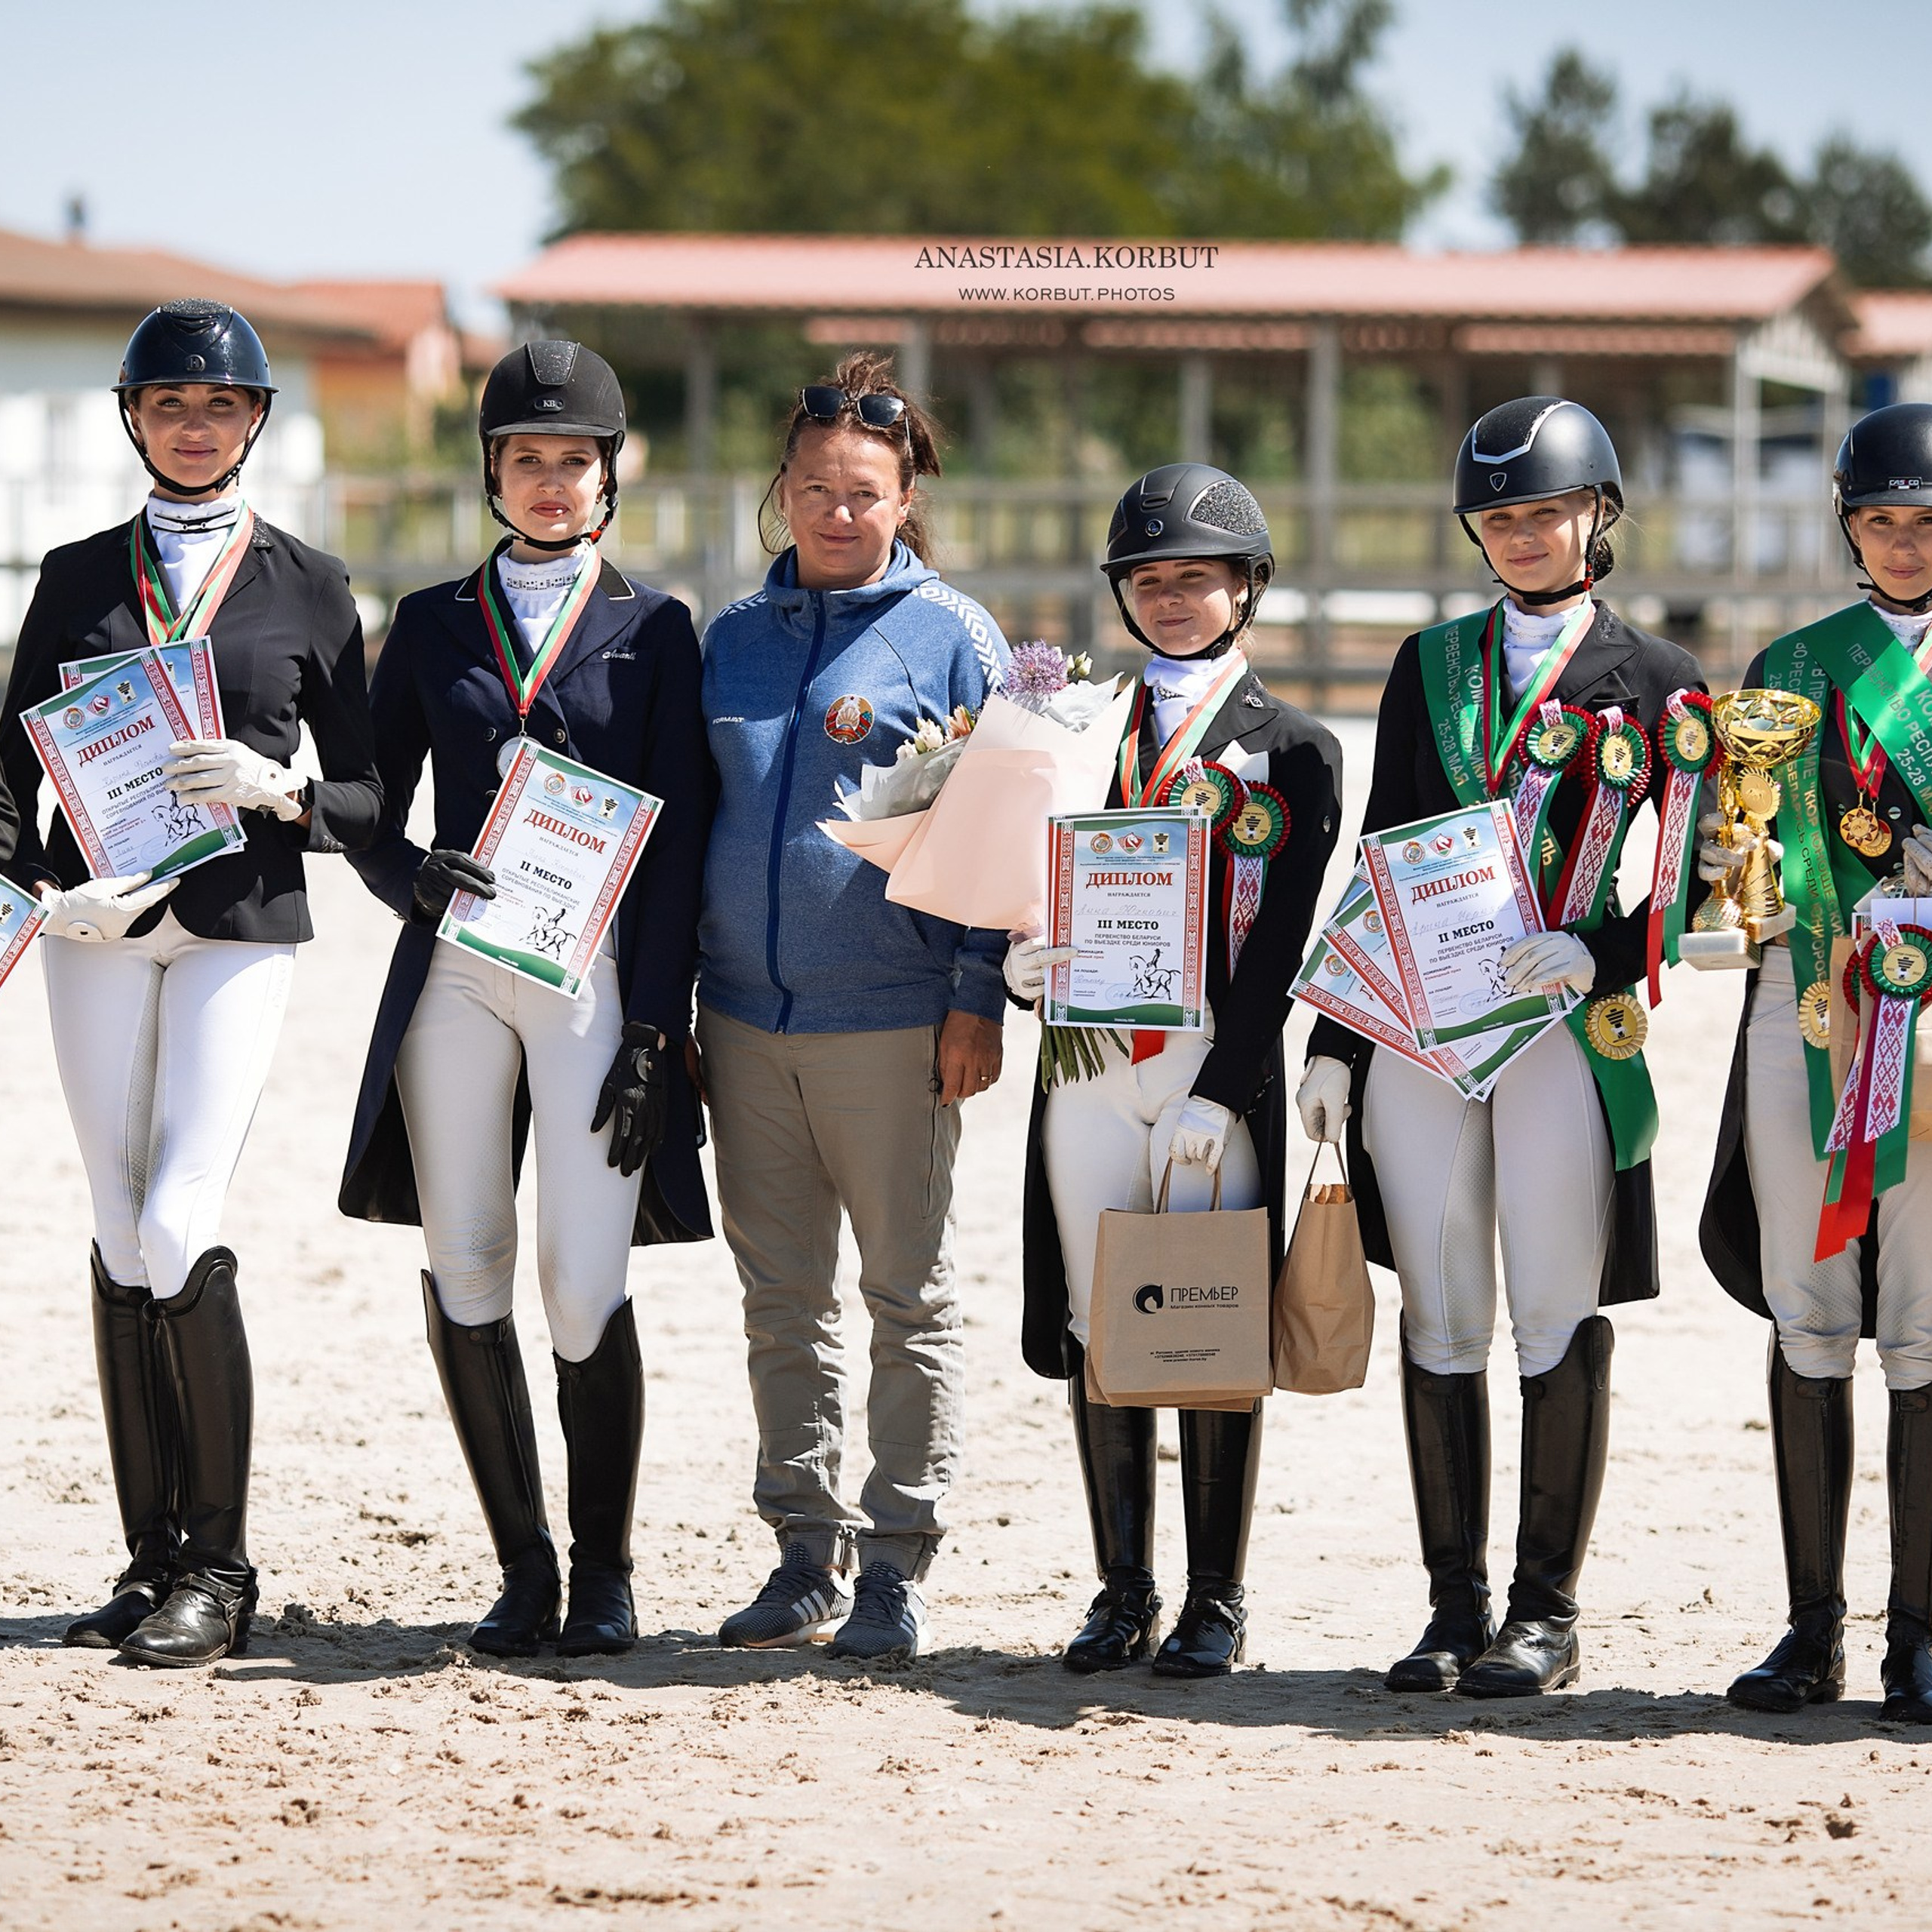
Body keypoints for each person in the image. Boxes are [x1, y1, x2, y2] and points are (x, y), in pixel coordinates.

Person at [1297, 398, 1703, 1697]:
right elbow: (1381, 852)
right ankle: (1451, 1606)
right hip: (1423, 1027)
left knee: (1551, 1306)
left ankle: (1547, 1609)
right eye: (1501, 517)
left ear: (1601, 517)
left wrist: (1607, 949)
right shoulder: (1428, 665)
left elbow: (1693, 885)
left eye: (1546, 512)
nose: (1524, 536)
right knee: (1442, 1305)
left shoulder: (1663, 680)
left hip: (1563, 1029)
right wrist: (1336, 1042)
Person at [0, 300, 383, 1666]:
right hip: (102, 929)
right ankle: (148, 1556)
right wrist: (46, 894)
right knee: (113, 1230)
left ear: (256, 422)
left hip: (235, 923)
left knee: (177, 1218)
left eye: (218, 407)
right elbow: (8, 772)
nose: (194, 424)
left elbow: (371, 795)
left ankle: (220, 1570)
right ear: (132, 418)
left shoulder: (311, 584)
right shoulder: (75, 573)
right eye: (169, 405)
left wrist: (288, 789)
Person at [339, 341, 712, 1659]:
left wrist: (659, 1029)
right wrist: (404, 877)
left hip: (592, 980)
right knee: (470, 1261)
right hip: (457, 972)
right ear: (491, 471)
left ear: (612, 472)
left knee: (580, 1277)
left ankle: (606, 1572)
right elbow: (368, 799)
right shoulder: (434, 620)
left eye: (574, 459)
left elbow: (681, 841)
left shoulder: (659, 629)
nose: (550, 482)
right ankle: (525, 1568)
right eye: (526, 459)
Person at [1004, 465, 1342, 1675]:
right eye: (1150, 580)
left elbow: (1284, 940)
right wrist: (1019, 963)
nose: (1174, 599)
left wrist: (1228, 1084)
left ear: (1248, 588)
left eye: (1199, 579)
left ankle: (1217, 1597)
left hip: (1210, 1063)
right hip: (1087, 1059)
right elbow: (1019, 873)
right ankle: (1121, 1586)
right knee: (1104, 1315)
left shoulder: (1294, 749)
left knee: (1208, 1315)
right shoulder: (1072, 731)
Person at [697, 353, 1009, 1663]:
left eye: (864, 492)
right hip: (743, 1024)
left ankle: (895, 1562)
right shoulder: (728, 641)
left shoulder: (957, 637)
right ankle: (801, 1553)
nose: (837, 512)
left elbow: (1010, 836)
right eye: (815, 487)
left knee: (907, 1299)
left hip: (893, 1023)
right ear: (783, 489)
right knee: (781, 1299)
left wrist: (977, 997)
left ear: (906, 495)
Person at [1700, 401, 1932, 1723]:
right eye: (1881, 522)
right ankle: (1810, 1631)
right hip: (1810, 1003)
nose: (1903, 547)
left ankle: (1920, 1635)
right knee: (1813, 1309)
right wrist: (1739, 871)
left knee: (1925, 1323)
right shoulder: (1794, 660)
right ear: (1849, 525)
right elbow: (1745, 839)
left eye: (1924, 524)